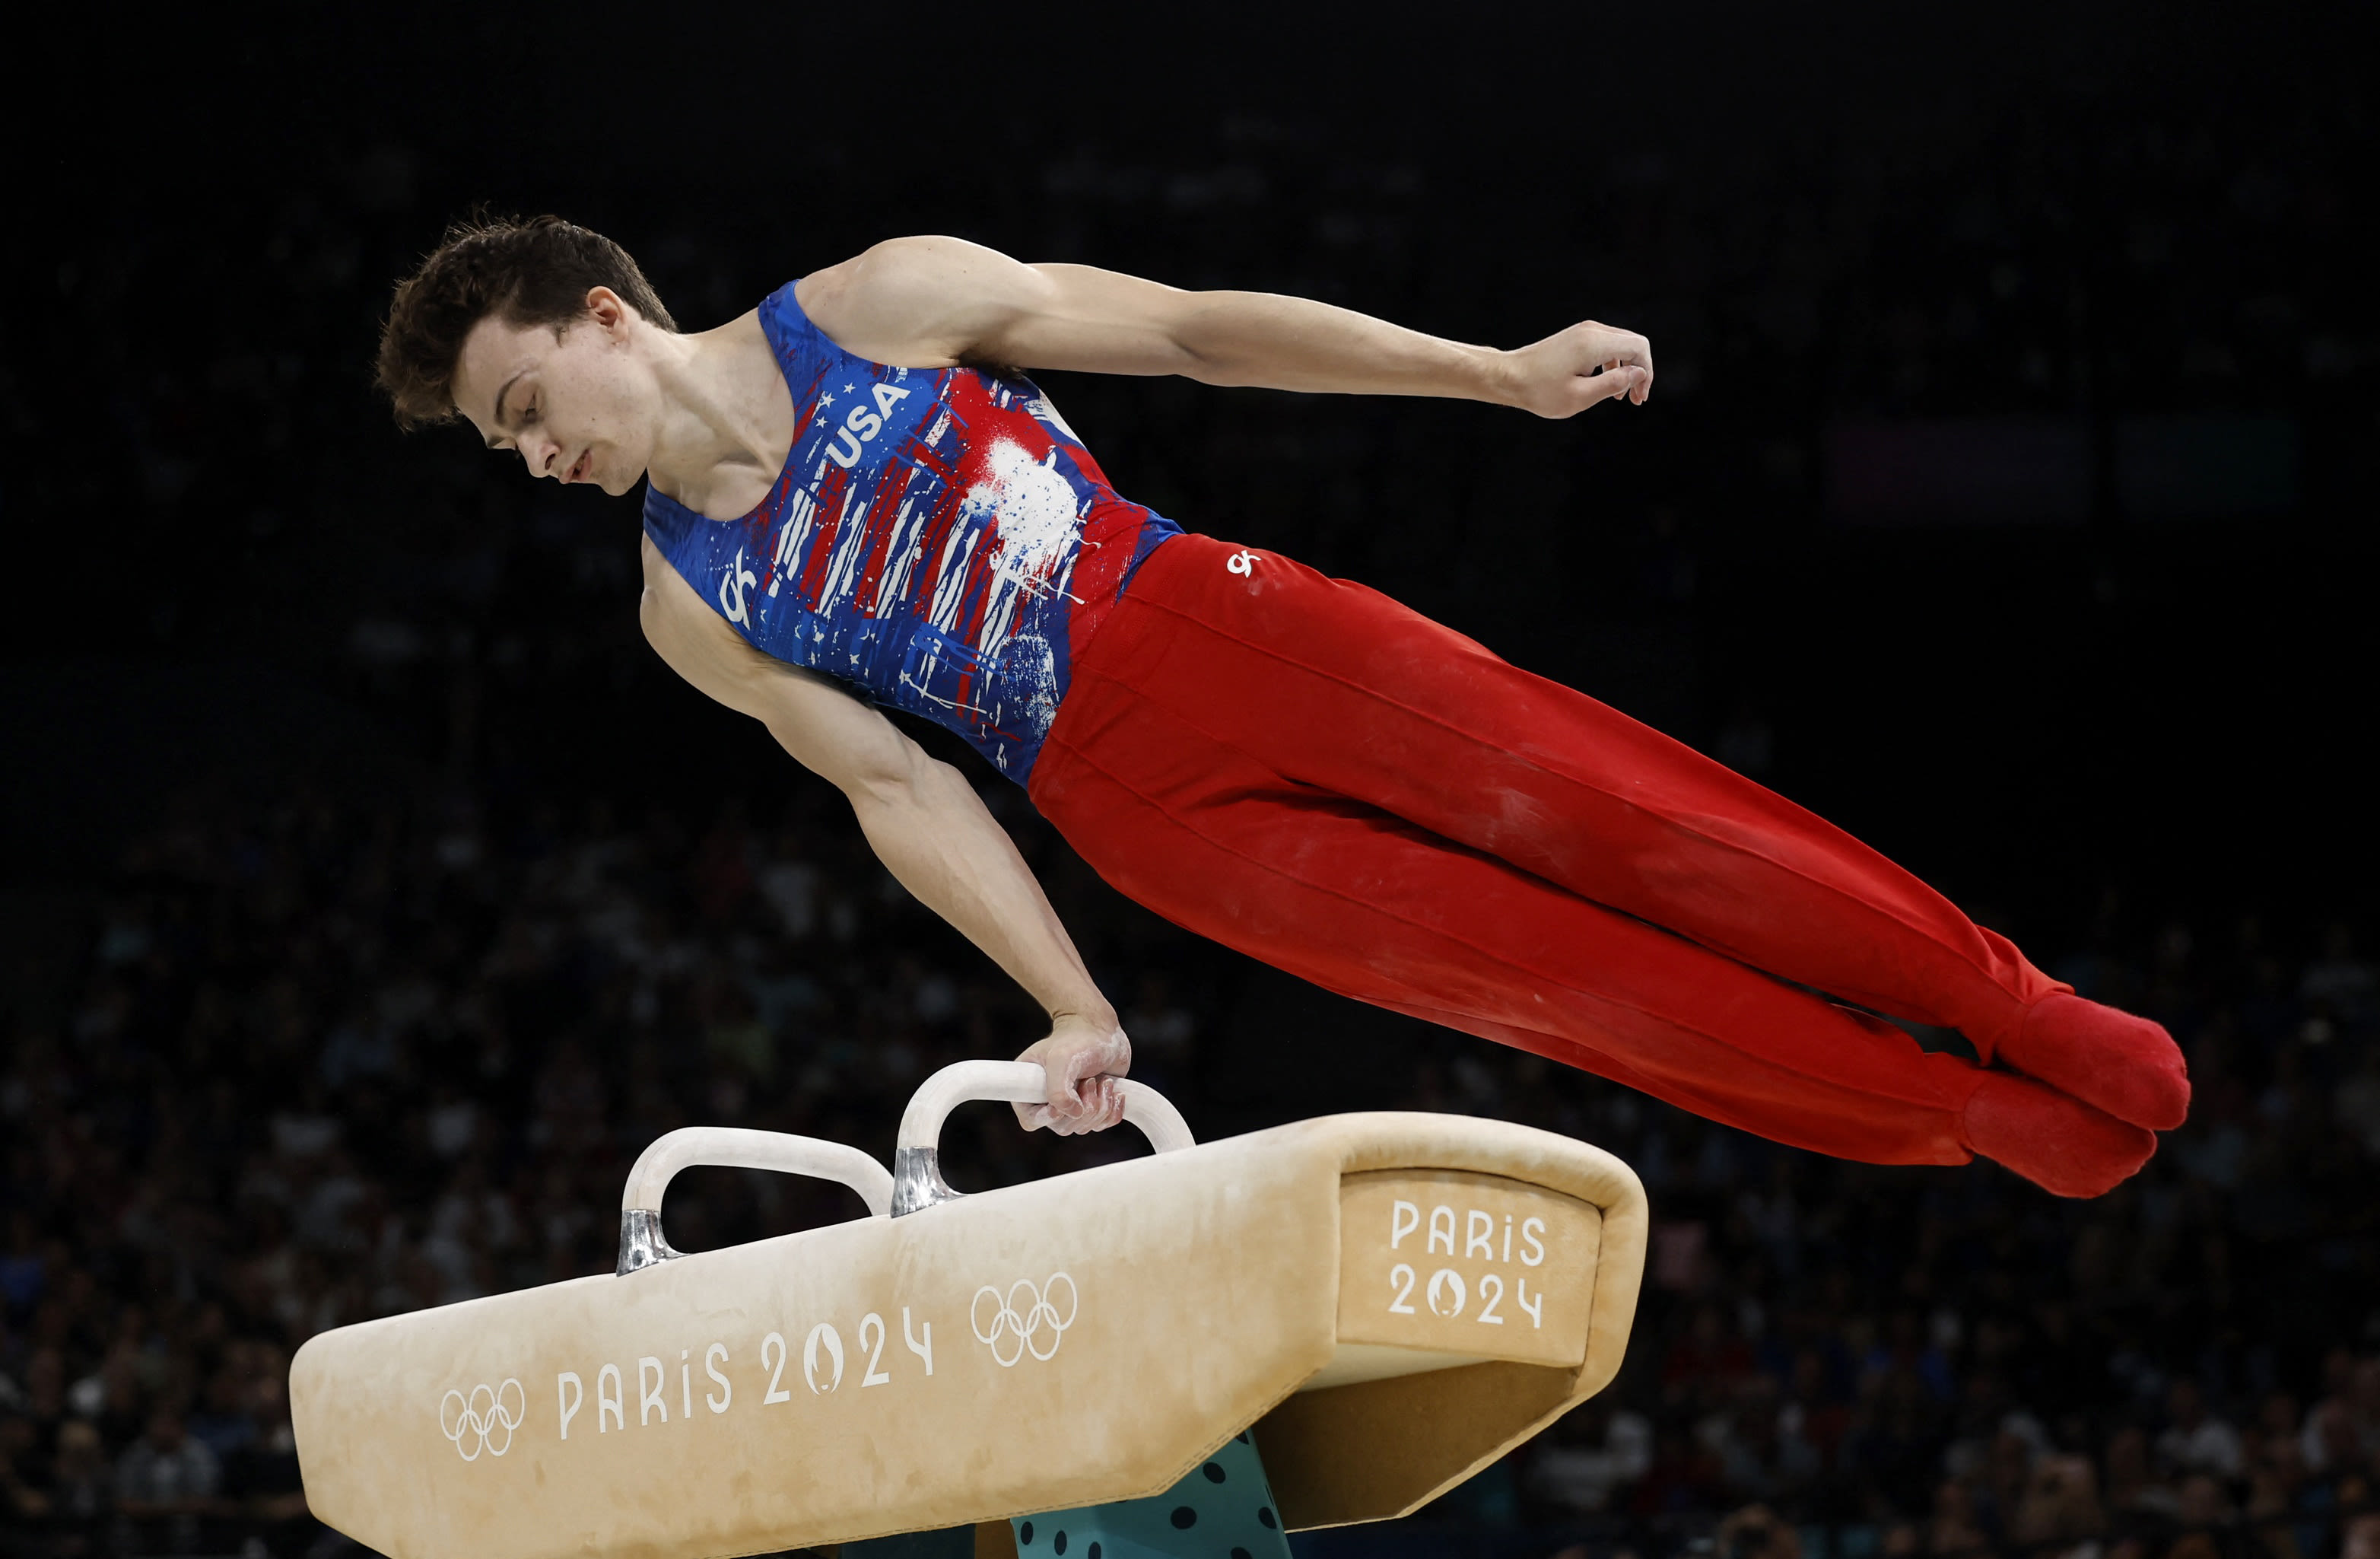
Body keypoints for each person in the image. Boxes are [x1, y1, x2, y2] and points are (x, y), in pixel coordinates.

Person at [373, 216, 2188, 1196]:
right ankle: (1955, 1115)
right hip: (1131, 813)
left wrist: (1486, 375)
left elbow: (1183, 329)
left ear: (609, 316)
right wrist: (1072, 1001)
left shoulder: (870, 305)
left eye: (529, 401)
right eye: (503, 446)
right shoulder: (688, 606)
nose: (534, 457)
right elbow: (898, 789)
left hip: (1201, 617)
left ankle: (2009, 1006)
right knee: (1562, 989)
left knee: (1623, 816)